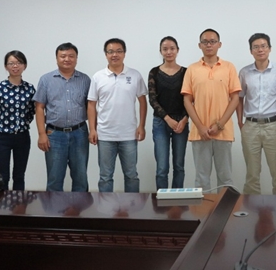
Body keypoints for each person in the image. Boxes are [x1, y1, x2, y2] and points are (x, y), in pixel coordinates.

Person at [181, 28, 241, 191]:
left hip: (223, 131)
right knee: (202, 179)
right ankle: (203, 208)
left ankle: (225, 208)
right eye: (205, 42)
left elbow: (235, 99)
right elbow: (187, 100)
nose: (209, 45)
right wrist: (201, 127)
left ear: (219, 44)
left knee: (225, 178)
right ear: (199, 45)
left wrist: (219, 124)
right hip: (200, 133)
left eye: (213, 41)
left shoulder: (229, 67)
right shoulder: (192, 69)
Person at [88, 38, 148, 193]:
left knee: (131, 175)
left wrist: (141, 126)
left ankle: (132, 207)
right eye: (110, 51)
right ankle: (106, 207)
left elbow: (143, 101)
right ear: (105, 54)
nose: (115, 55)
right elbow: (91, 104)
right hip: (105, 135)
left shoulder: (135, 75)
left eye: (119, 51)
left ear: (124, 53)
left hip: (129, 134)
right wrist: (92, 129)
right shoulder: (98, 77)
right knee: (105, 177)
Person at [34, 42, 91, 192]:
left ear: (76, 58)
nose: (67, 59)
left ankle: (80, 207)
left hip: (79, 133)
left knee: (80, 177)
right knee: (54, 178)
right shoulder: (46, 80)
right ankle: (54, 207)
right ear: (56, 58)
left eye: (71, 56)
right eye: (63, 56)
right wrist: (41, 134)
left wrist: (93, 130)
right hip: (54, 134)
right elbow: (39, 107)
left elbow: (91, 107)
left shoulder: (85, 80)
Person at [236, 33, 276, 195]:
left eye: (263, 46)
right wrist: (240, 122)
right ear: (251, 51)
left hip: (273, 126)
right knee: (252, 173)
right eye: (256, 47)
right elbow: (239, 98)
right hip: (250, 126)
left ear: (270, 48)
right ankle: (250, 207)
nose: (260, 50)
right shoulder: (244, 72)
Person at [0, 50, 36, 190]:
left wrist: (21, 125)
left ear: (25, 65)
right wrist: (3, 127)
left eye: (19, 63)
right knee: (2, 176)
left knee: (19, 175)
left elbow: (31, 112)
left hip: (22, 137)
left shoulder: (29, 89)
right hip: (2, 138)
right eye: (11, 63)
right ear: (6, 66)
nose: (15, 66)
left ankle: (18, 203)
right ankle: (3, 203)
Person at [148, 36, 189, 190]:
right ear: (161, 51)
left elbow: (191, 99)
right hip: (161, 123)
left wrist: (184, 119)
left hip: (181, 122)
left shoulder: (186, 72)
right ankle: (163, 199)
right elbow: (152, 100)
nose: (169, 52)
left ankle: (177, 199)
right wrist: (167, 119)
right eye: (165, 49)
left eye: (172, 48)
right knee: (162, 167)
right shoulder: (154, 72)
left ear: (178, 50)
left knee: (179, 166)